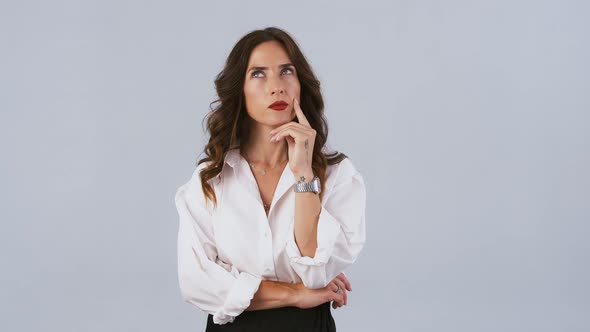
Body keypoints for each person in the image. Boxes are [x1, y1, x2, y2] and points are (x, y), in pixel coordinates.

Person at [174, 27, 367, 332]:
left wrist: (304, 174)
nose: (276, 87)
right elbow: (198, 283)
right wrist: (296, 293)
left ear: (301, 84)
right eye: (259, 74)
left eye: (286, 72)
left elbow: (315, 272)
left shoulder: (337, 175)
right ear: (240, 89)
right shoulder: (210, 179)